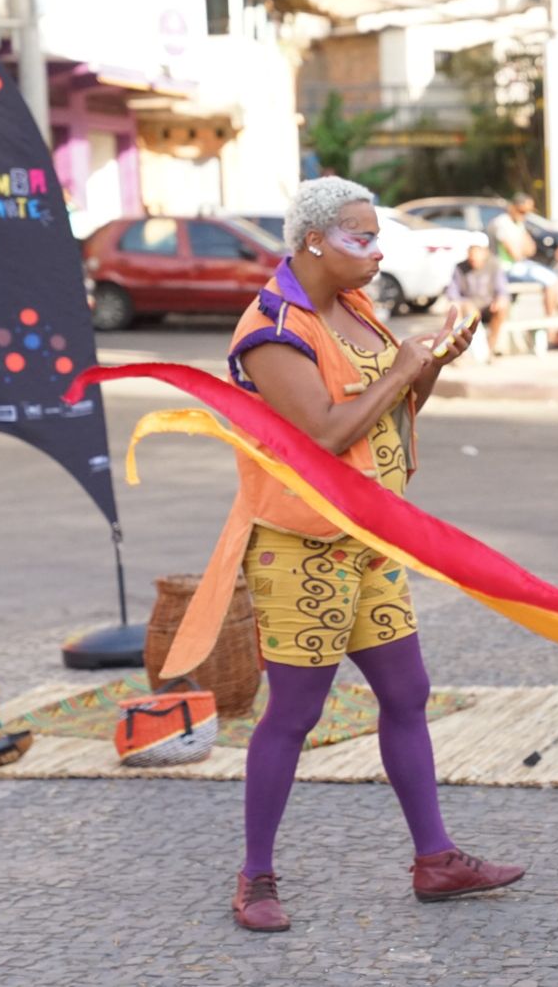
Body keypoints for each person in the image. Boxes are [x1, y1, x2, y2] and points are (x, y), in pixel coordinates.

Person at [172, 177, 523, 933]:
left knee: (407, 693)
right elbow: (326, 436)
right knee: (293, 714)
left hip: (371, 539)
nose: (377, 249)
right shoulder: (271, 330)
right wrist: (402, 368)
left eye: (377, 235)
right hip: (304, 547)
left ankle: (435, 858)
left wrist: (428, 368)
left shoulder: (355, 309)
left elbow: (390, 414)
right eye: (362, 237)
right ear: (315, 243)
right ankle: (255, 878)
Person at [487, 193, 558, 318]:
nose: (525, 215)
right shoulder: (501, 223)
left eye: (527, 212)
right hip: (505, 268)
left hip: (519, 265)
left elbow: (531, 250)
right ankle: (551, 325)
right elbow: (515, 254)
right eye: (522, 211)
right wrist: (521, 249)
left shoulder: (519, 224)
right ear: (513, 207)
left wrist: (522, 246)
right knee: (550, 281)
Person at [447, 243, 510, 358]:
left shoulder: (494, 265)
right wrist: (457, 302)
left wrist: (500, 299)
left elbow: (501, 289)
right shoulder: (460, 268)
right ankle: (463, 353)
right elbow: (452, 291)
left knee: (502, 308)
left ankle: (490, 349)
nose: (474, 261)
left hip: (488, 305)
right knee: (462, 309)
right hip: (468, 306)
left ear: (485, 253)